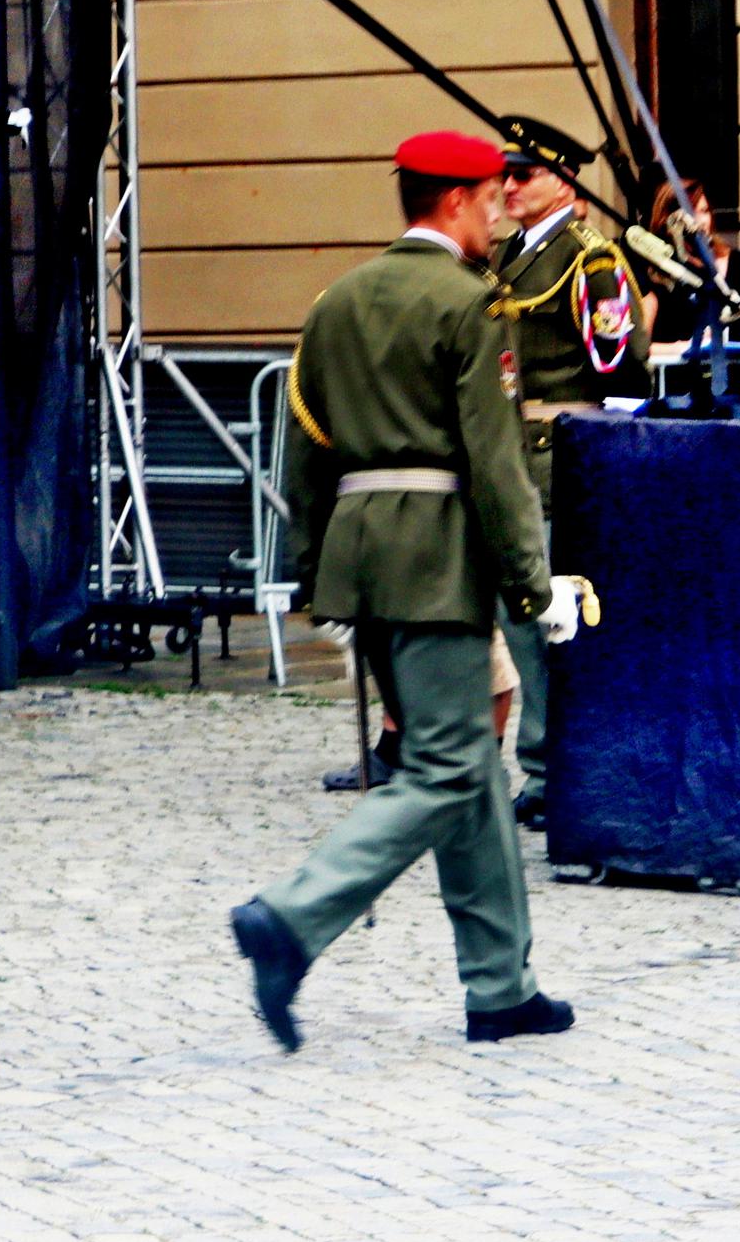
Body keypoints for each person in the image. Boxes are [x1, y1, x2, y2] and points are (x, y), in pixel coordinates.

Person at [231, 130, 583, 1055]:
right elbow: (494, 458)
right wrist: (531, 584)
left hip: (361, 551)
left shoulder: (338, 301)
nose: (503, 206)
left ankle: (502, 984)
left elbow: (303, 448)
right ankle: (292, 916)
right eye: (491, 195)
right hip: (438, 555)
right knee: (450, 768)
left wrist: (317, 570)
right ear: (457, 202)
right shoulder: (470, 304)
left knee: (463, 767)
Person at [486, 147, 643, 826]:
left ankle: (559, 771)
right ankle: (544, 766)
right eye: (505, 175)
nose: (509, 186)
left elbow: (620, 365)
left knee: (549, 620)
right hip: (512, 458)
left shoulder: (590, 257)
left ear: (564, 183)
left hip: (558, 460)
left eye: (524, 175)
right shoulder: (509, 255)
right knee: (520, 623)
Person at [642, 178, 740, 350]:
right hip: (680, 375)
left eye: (704, 211)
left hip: (736, 375)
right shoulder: (655, 273)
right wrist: (688, 348)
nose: (701, 221)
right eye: (692, 213)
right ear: (669, 221)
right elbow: (641, 348)